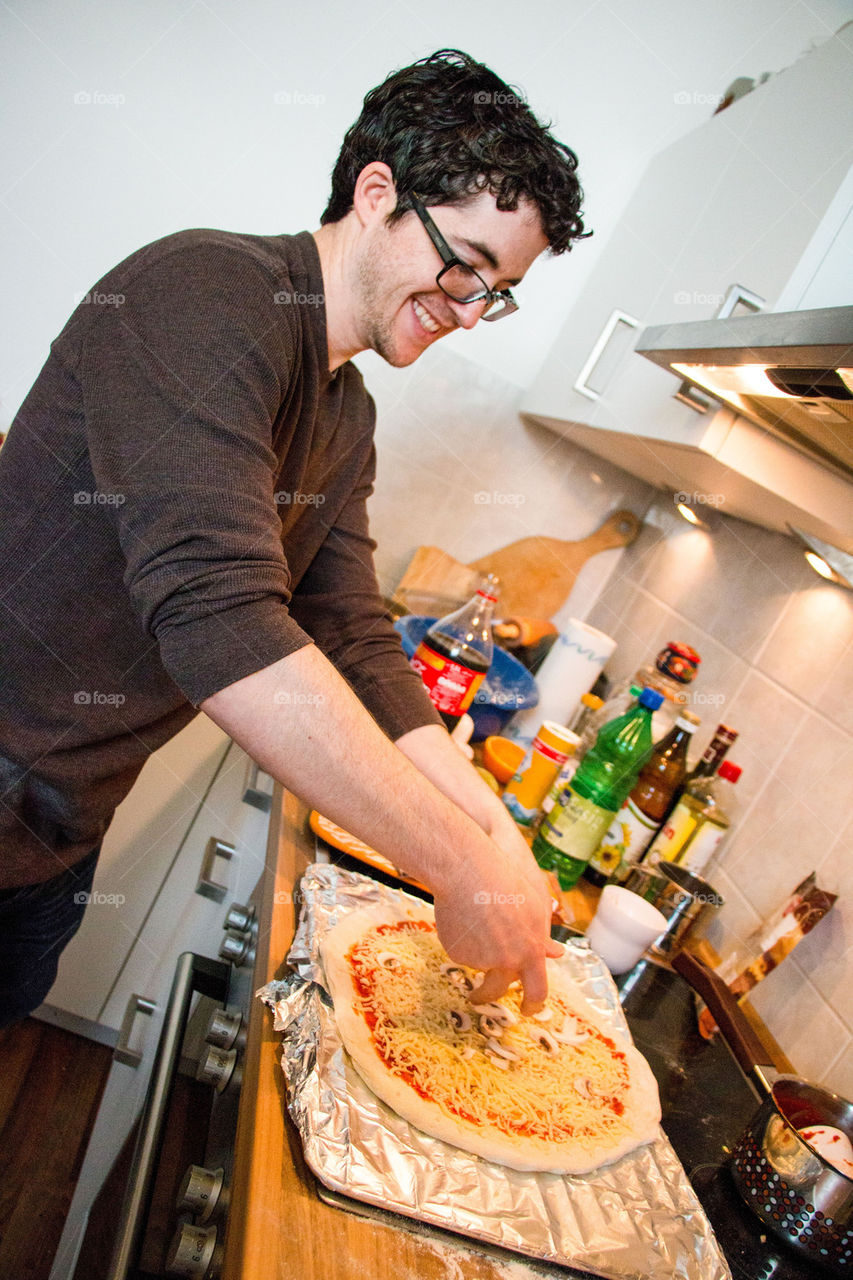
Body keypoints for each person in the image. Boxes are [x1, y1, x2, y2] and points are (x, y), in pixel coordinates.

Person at [0, 49, 587, 1027]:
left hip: (60, 830)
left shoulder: (346, 414)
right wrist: (458, 866)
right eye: (465, 266)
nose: (471, 312)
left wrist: (491, 830)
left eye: (498, 291)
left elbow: (352, 634)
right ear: (376, 193)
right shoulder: (203, 291)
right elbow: (218, 614)